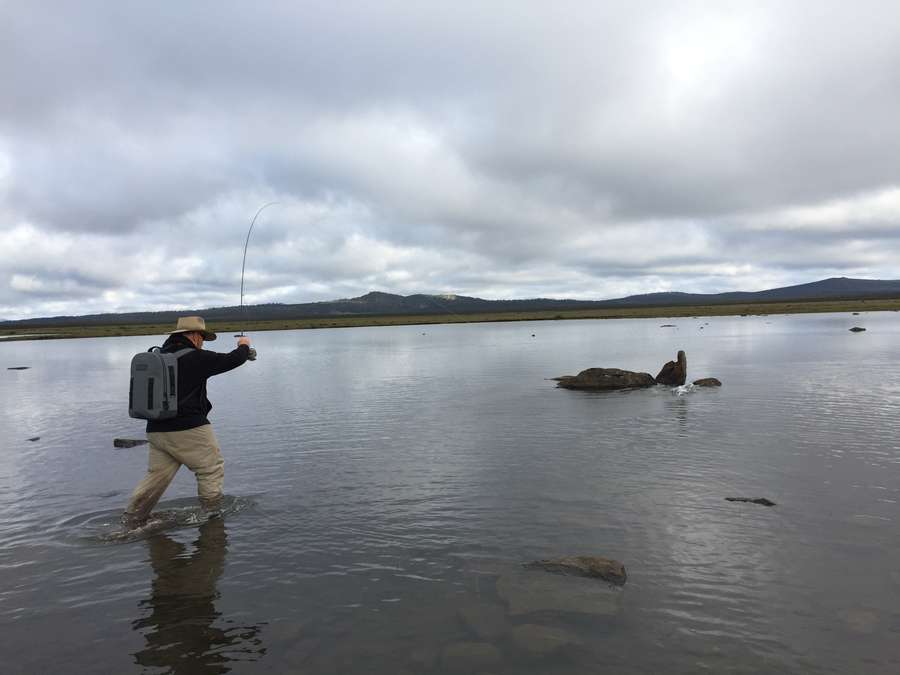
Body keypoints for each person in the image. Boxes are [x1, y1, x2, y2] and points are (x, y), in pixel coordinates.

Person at [122, 316, 251, 528]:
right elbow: (232, 360)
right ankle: (212, 518)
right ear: (192, 335)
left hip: (155, 429)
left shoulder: (158, 355)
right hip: (189, 427)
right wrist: (244, 346)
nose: (202, 342)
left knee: (156, 476)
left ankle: (132, 520)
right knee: (210, 469)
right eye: (202, 337)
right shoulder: (196, 358)